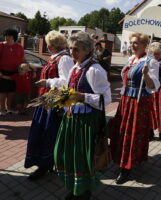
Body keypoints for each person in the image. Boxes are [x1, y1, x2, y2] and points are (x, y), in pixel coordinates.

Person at [47, 31, 111, 200]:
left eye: (76, 49)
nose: (72, 53)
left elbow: (106, 99)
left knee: (82, 157)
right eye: (70, 49)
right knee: (65, 153)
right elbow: (68, 89)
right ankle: (76, 187)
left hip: (87, 122)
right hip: (71, 118)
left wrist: (83, 97)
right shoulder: (75, 67)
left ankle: (84, 192)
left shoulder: (95, 70)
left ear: (87, 50)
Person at [110, 33, 160, 184]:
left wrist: (146, 75)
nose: (132, 45)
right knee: (122, 131)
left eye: (136, 43)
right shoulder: (131, 59)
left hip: (139, 102)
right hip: (125, 100)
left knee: (132, 133)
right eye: (131, 43)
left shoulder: (150, 62)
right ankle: (120, 159)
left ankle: (127, 167)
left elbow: (153, 87)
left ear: (145, 45)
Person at [24, 30, 74, 180]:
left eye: (48, 44)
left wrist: (48, 82)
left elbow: (67, 82)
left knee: (48, 133)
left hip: (54, 100)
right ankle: (46, 164)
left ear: (54, 45)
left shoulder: (64, 59)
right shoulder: (56, 58)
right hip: (47, 99)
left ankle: (45, 165)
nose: (47, 46)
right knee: (43, 132)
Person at [0, 28, 25, 116]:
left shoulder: (19, 47)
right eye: (6, 36)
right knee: (2, 92)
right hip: (2, 72)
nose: (7, 38)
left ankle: (9, 108)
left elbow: (23, 59)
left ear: (14, 37)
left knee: (11, 92)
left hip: (15, 73)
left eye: (9, 36)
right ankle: (2, 109)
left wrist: (28, 68)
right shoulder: (1, 46)